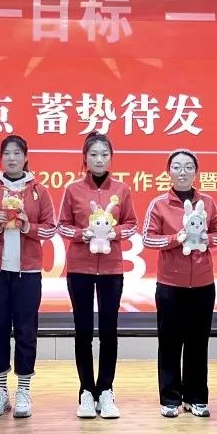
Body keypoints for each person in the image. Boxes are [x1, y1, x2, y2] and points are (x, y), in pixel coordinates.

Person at [0, 135, 57, 418]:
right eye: (7, 153)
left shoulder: (39, 191)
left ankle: (23, 390)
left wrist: (29, 226)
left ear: (26, 157)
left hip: (27, 273)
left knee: (26, 331)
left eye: (17, 153)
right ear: (1, 158)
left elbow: (50, 229)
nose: (12, 158)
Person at [57, 133, 138, 419]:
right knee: (83, 332)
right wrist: (84, 234)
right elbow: (62, 225)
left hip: (112, 269)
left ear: (111, 158)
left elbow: (131, 223)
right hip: (80, 268)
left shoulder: (122, 189)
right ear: (85, 158)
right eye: (93, 154)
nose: (99, 159)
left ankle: (106, 389)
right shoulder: (73, 189)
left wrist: (113, 232)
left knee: (108, 331)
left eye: (104, 154)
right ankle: (86, 392)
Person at [142, 149, 217, 418]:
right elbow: (148, 238)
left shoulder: (208, 202)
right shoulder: (159, 204)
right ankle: (170, 398)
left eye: (188, 167)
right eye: (177, 167)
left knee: (198, 343)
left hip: (203, 283)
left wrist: (206, 238)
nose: (183, 172)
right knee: (169, 343)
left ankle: (196, 397)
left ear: (196, 172)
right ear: (169, 172)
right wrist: (175, 238)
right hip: (170, 284)